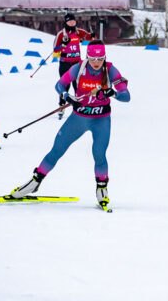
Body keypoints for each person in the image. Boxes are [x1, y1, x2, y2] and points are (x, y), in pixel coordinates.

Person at [11, 40, 130, 211]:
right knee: (57, 149)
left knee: (99, 154)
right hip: (79, 118)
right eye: (92, 58)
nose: (96, 62)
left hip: (101, 120)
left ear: (104, 57)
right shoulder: (79, 68)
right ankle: (34, 182)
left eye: (100, 59)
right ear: (87, 57)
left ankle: (102, 189)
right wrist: (67, 96)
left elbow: (127, 96)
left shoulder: (110, 70)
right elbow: (59, 85)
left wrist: (114, 93)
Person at [53, 12, 94, 119]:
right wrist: (63, 45)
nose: (72, 23)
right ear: (66, 22)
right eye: (70, 21)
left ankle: (79, 107)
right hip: (65, 63)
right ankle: (62, 106)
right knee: (65, 86)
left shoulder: (78, 31)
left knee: (78, 85)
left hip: (76, 63)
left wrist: (92, 35)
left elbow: (88, 37)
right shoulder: (61, 34)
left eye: (74, 21)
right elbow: (55, 52)